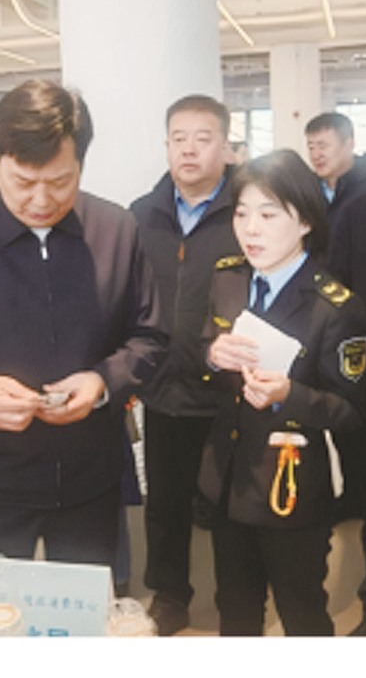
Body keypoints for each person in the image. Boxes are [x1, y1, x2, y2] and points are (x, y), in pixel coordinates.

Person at [0, 80, 165, 566]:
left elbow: (149, 336)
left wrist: (102, 383)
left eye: (61, 182)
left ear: (81, 164)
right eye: (22, 182)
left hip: (90, 475)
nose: (41, 199)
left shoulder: (116, 230)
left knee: (86, 602)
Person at [198, 150, 366, 635]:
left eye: (269, 215)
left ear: (306, 221)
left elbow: (352, 412)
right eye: (241, 214)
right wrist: (213, 356)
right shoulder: (228, 279)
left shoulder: (336, 308)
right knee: (236, 614)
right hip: (228, 479)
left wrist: (289, 395)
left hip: (289, 490)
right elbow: (202, 354)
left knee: (303, 616)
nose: (251, 230)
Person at [129, 94, 238, 635]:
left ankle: (240, 599)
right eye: (178, 138)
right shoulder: (141, 214)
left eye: (202, 138)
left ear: (226, 146)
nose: (188, 149)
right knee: (166, 504)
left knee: (232, 505)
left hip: (231, 391)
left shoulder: (249, 211)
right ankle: (170, 596)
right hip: (165, 387)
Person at [305, 110, 366, 633]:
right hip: (351, 353)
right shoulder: (330, 200)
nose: (317, 153)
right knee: (356, 449)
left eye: (325, 144)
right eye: (311, 145)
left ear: (350, 144)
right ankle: (353, 498)